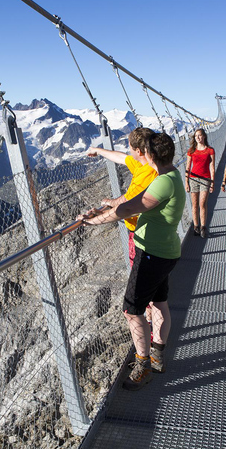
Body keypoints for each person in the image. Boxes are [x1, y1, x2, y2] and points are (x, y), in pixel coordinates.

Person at [78, 132, 185, 391]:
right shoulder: (172, 176)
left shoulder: (162, 182)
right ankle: (157, 357)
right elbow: (127, 201)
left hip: (151, 254)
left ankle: (143, 365)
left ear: (150, 155)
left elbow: (128, 209)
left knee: (131, 309)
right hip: (165, 252)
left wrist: (93, 221)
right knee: (159, 303)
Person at [85, 127, 157, 267]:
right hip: (148, 230)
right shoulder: (144, 163)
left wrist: (99, 214)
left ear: (138, 151)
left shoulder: (148, 174)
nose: (128, 150)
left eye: (129, 146)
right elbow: (121, 158)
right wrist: (98, 150)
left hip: (142, 235)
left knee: (140, 277)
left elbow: (127, 205)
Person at [185, 128, 215, 238]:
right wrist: (186, 182)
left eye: (200, 135)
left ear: (204, 136)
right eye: (196, 136)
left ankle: (203, 227)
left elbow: (212, 167)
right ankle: (196, 227)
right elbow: (188, 167)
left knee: (202, 204)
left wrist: (212, 182)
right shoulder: (191, 151)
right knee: (194, 204)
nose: (197, 137)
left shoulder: (210, 150)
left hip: (205, 179)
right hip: (193, 179)